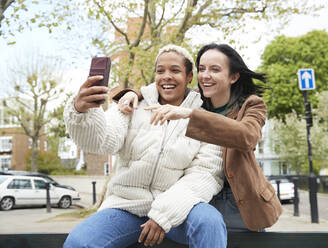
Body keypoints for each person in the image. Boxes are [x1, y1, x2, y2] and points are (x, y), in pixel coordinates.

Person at [63, 44, 226, 248]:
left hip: (180, 210)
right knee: (79, 242)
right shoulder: (132, 104)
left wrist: (163, 215)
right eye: (160, 71)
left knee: (209, 222)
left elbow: (205, 174)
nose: (166, 76)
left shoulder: (203, 118)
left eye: (175, 70)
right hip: (126, 206)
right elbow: (100, 142)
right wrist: (82, 111)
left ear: (189, 77)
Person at [116, 43, 282, 232]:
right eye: (202, 69)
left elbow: (247, 136)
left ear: (233, 76)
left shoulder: (251, 105)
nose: (205, 75)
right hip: (201, 198)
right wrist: (132, 93)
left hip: (241, 202)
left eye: (215, 69)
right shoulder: (196, 101)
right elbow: (162, 90)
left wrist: (189, 114)